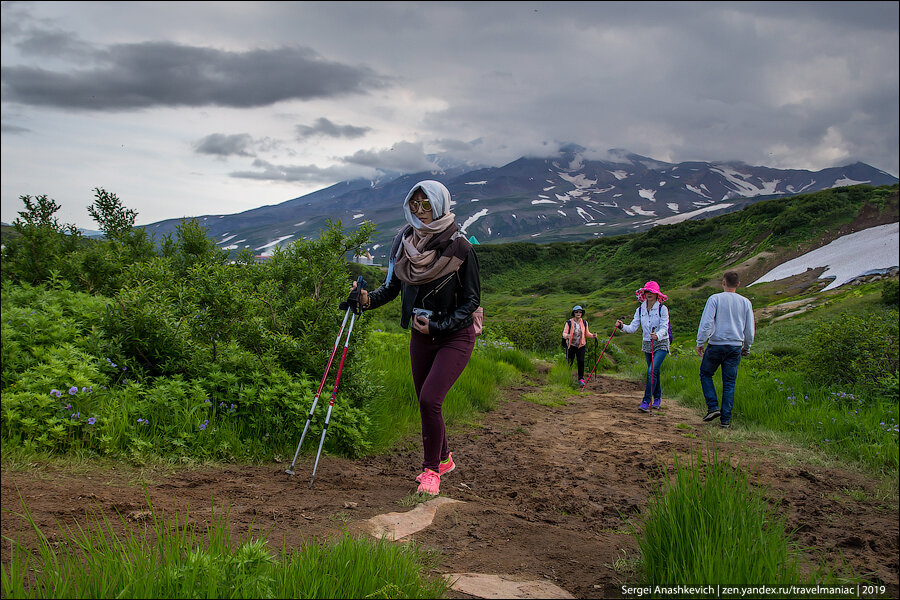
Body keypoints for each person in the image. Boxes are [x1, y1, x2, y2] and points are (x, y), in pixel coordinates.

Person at [348, 180, 480, 496]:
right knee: (427, 402)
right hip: (420, 337)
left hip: (455, 336)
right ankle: (444, 458)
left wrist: (439, 325)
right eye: (414, 204)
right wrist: (365, 300)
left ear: (440, 205)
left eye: (426, 204)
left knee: (429, 399)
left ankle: (431, 472)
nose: (419, 211)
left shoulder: (461, 248)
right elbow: (392, 289)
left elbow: (471, 301)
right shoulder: (402, 241)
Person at [695, 270, 755, 429]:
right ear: (738, 284)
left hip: (716, 343)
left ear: (723, 282)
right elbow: (749, 330)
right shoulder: (745, 302)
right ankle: (725, 420)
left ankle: (713, 407)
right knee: (729, 382)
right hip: (735, 345)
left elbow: (707, 323)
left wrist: (701, 341)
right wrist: (746, 347)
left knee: (706, 374)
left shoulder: (714, 299)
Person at [616, 281, 670, 412]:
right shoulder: (640, 310)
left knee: (651, 371)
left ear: (657, 294)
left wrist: (657, 335)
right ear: (644, 294)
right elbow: (633, 327)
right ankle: (657, 398)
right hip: (647, 343)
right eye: (647, 292)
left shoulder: (663, 309)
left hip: (661, 342)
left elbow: (664, 327)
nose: (649, 294)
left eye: (652, 292)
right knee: (654, 372)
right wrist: (622, 327)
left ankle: (646, 401)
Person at [562, 305, 597, 386]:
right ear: (573, 313)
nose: (578, 313)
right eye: (576, 312)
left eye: (580, 312)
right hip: (571, 345)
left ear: (582, 313)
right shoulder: (569, 322)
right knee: (569, 362)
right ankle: (567, 377)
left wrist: (593, 336)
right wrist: (566, 336)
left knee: (581, 361)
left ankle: (581, 379)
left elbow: (587, 333)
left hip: (581, 345)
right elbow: (564, 333)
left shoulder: (584, 322)